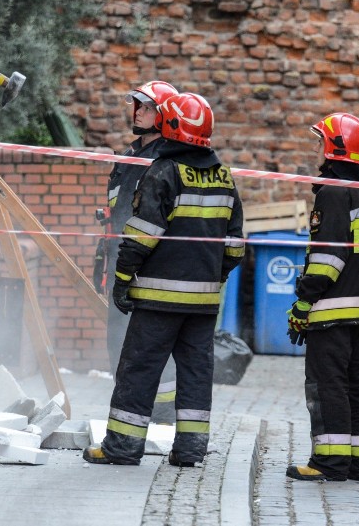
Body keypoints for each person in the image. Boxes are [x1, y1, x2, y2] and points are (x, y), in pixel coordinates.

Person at [83, 93, 244, 467]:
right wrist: (211, 278)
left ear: (170, 126)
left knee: (138, 369)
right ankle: (189, 451)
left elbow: (141, 234)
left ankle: (122, 448)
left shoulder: (162, 172)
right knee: (195, 374)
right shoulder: (223, 176)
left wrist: (122, 279)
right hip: (204, 303)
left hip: (157, 300)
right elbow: (235, 245)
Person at [285, 113, 359, 482]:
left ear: (335, 148)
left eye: (320, 142)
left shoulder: (333, 193)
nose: (316, 149)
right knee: (358, 385)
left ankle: (330, 461)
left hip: (331, 310)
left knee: (329, 386)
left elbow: (326, 260)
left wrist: (303, 303)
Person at [101, 80, 179, 423]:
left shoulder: (164, 160)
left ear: (163, 116)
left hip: (147, 265)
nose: (139, 112)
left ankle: (160, 415)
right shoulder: (132, 156)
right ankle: (127, 415)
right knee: (117, 341)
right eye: (138, 106)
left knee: (148, 346)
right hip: (119, 256)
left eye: (147, 108)